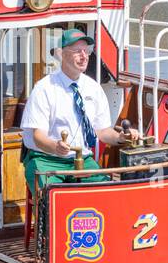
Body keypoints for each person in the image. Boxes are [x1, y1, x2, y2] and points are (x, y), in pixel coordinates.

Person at [20, 28, 136, 193]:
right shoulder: (44, 88)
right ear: (61, 54)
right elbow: (38, 137)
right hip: (45, 159)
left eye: (86, 51)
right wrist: (56, 147)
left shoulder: (93, 88)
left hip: (81, 159)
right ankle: (46, 217)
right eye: (77, 51)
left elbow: (102, 131)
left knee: (108, 193)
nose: (84, 56)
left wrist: (121, 137)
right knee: (51, 197)